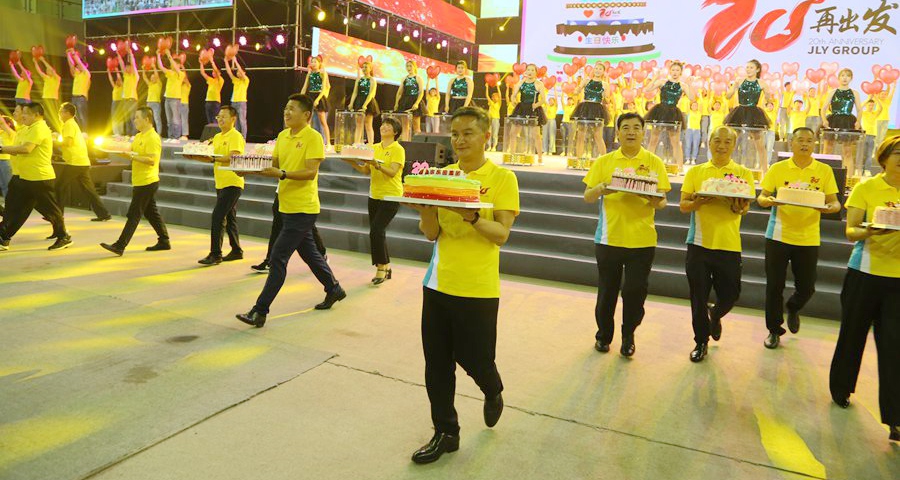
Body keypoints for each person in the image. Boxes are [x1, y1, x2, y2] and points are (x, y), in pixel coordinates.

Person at [406, 106, 519, 465]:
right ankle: (446, 432)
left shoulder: (502, 178)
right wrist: (426, 209)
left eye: (468, 133)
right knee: (437, 363)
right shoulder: (443, 177)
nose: (459, 140)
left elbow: (500, 234)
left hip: (478, 288)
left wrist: (471, 216)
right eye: (455, 134)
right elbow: (431, 234)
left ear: (486, 136)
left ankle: (492, 388)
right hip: (438, 283)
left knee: (476, 358)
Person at [235, 94, 345, 327]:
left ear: (306, 115)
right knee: (310, 254)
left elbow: (310, 172)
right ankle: (334, 288)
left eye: (292, 109)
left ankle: (259, 311)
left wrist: (283, 174)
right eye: (286, 108)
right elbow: (273, 165)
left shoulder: (313, 137)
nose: (287, 112)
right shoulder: (283, 136)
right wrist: (248, 169)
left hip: (304, 208)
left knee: (277, 257)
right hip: (286, 205)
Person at [829, 135, 900, 443]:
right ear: (884, 157)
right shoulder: (866, 188)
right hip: (865, 273)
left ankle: (896, 418)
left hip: (898, 281)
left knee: (895, 346)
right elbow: (851, 231)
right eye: (898, 152)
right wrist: (871, 230)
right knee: (852, 334)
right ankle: (841, 388)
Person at [582, 113, 671, 356]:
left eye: (636, 128)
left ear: (643, 132)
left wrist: (651, 198)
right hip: (609, 238)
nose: (631, 132)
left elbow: (662, 201)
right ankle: (603, 336)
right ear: (617, 133)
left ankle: (628, 335)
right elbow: (588, 196)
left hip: (642, 240)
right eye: (625, 128)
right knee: (607, 291)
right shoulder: (605, 161)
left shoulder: (654, 162)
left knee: (635, 292)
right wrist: (602, 188)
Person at [757, 127, 841, 349]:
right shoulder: (778, 168)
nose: (805, 144)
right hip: (778, 235)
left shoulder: (823, 170)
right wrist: (769, 201)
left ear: (815, 144)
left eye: (809, 141)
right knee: (774, 286)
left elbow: (835, 202)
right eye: (800, 140)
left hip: (808, 237)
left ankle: (793, 307)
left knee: (807, 287)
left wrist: (829, 208)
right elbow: (762, 197)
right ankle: (774, 330)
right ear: (791, 144)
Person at [679, 126, 753, 362]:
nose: (721, 146)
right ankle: (701, 341)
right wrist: (698, 202)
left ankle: (716, 313)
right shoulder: (696, 172)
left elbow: (744, 207)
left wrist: (738, 207)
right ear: (709, 143)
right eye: (717, 141)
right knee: (698, 296)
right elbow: (684, 205)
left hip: (729, 245)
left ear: (734, 145)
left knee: (731, 294)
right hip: (699, 243)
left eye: (727, 142)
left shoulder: (743, 173)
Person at [0, 103, 71, 251]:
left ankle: (63, 236)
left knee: (51, 210)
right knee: (15, 209)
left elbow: (26, 149)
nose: (22, 115)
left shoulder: (39, 128)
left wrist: (2, 149)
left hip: (39, 177)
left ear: (36, 115)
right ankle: (4, 237)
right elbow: (19, 149)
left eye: (25, 113)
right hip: (24, 176)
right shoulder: (28, 128)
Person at [342, 117, 404, 284]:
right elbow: (365, 171)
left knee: (376, 231)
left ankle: (381, 267)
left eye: (388, 126)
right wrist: (350, 161)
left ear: (395, 131)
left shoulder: (398, 149)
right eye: (383, 125)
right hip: (374, 195)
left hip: (391, 196)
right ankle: (386, 266)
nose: (384, 127)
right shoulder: (374, 147)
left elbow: (392, 172)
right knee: (378, 232)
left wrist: (377, 164)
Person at [100, 107, 170, 255]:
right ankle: (164, 240)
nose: (134, 120)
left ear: (147, 119)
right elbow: (130, 152)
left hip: (148, 181)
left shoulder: (153, 137)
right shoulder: (138, 136)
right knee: (151, 213)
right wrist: (116, 148)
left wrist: (131, 156)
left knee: (134, 214)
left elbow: (151, 160)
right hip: (139, 180)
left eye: (137, 118)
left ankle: (120, 245)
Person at [189, 105, 245, 265]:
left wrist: (213, 159)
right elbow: (210, 156)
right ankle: (236, 250)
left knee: (218, 216)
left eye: (224, 117)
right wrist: (194, 156)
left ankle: (215, 254)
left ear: (233, 119)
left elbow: (234, 156)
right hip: (220, 182)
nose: (220, 119)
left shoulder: (236, 136)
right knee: (230, 218)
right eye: (218, 117)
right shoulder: (217, 137)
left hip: (232, 182)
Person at [55, 103, 111, 221]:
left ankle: (57, 215)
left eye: (61, 111)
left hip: (75, 162)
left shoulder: (69, 124)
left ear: (67, 113)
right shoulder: (71, 124)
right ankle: (104, 214)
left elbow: (68, 142)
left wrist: (52, 141)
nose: (59, 113)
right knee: (89, 190)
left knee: (60, 187)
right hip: (81, 161)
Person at [644, 61, 694, 171]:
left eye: (677, 70)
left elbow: (692, 98)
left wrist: (690, 85)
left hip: (673, 113)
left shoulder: (683, 85)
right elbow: (647, 89)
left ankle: (680, 167)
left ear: (681, 72)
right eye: (673, 70)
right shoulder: (662, 82)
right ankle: (647, 164)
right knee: (653, 139)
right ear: (670, 71)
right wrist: (655, 77)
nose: (675, 72)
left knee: (675, 142)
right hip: (660, 111)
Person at [725, 59, 773, 171]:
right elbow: (728, 96)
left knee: (759, 144)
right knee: (731, 141)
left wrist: (767, 95)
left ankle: (765, 171)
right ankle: (727, 168)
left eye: (751, 67)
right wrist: (733, 86)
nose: (748, 69)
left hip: (754, 113)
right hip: (739, 112)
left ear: (757, 69)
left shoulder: (761, 83)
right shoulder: (739, 81)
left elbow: (768, 100)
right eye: (747, 67)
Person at [821, 68, 865, 174]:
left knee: (848, 151)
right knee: (827, 149)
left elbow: (859, 110)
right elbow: (823, 108)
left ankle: (848, 178)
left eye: (848, 76)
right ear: (838, 78)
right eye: (843, 75)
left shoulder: (854, 93)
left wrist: (858, 121)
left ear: (851, 78)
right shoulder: (832, 92)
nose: (845, 78)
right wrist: (824, 120)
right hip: (833, 120)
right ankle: (824, 174)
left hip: (848, 122)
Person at [571, 62, 611, 159]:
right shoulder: (586, 80)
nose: (597, 70)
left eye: (600, 69)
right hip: (585, 108)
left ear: (603, 72)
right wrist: (576, 91)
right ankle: (579, 159)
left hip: (598, 109)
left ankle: (604, 160)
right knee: (581, 134)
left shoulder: (605, 84)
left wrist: (605, 97)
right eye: (596, 68)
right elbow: (577, 90)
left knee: (598, 136)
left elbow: (607, 100)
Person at [509, 64, 547, 164]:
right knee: (513, 133)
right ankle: (512, 155)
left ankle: (540, 157)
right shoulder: (521, 83)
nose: (530, 72)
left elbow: (543, 99)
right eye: (528, 70)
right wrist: (513, 100)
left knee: (536, 135)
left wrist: (536, 105)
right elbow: (513, 95)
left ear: (536, 72)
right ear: (525, 71)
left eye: (532, 70)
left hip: (533, 109)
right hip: (521, 108)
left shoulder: (539, 84)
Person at [300, 55, 331, 147]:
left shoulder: (322, 73)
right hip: (311, 95)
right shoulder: (309, 74)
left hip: (319, 96)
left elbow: (324, 88)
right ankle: (308, 141)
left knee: (323, 121)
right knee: (308, 121)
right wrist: (300, 97)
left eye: (315, 62)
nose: (313, 64)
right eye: (312, 62)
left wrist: (317, 99)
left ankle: (328, 143)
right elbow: (305, 87)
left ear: (319, 63)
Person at [348, 61, 379, 145]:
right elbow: (355, 92)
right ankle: (356, 143)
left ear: (370, 69)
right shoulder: (359, 79)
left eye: (366, 67)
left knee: (368, 124)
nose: (364, 69)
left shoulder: (372, 80)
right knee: (358, 123)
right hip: (359, 101)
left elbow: (371, 93)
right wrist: (351, 103)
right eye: (363, 67)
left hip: (368, 102)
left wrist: (365, 105)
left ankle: (371, 144)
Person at [393, 60, 425, 136]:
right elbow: (399, 93)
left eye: (410, 66)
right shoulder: (404, 78)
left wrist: (416, 103)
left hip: (414, 100)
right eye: (407, 66)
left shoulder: (418, 78)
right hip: (405, 102)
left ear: (414, 67)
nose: (409, 68)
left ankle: (417, 141)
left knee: (416, 126)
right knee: (405, 126)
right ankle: (405, 141)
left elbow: (421, 92)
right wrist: (396, 103)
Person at [157, 50, 184, 139]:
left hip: (175, 99)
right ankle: (170, 136)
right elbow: (160, 67)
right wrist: (158, 55)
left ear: (179, 65)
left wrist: (169, 55)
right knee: (169, 121)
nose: (173, 65)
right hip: (167, 98)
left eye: (175, 64)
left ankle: (176, 137)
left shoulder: (181, 74)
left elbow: (176, 68)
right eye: (172, 63)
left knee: (176, 119)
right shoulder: (170, 73)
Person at [33, 55, 61, 132]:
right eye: (46, 70)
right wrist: (35, 62)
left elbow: (51, 69)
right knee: (45, 115)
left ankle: (54, 130)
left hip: (53, 99)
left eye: (48, 70)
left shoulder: (57, 78)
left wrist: (43, 60)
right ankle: (47, 129)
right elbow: (39, 71)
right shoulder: (46, 78)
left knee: (53, 116)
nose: (47, 71)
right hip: (45, 98)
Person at [225, 56, 250, 137]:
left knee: (242, 121)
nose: (238, 73)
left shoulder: (246, 80)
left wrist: (235, 61)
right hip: (234, 102)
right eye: (237, 72)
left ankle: (243, 138)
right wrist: (226, 61)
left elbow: (241, 72)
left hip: (241, 102)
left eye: (239, 71)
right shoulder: (235, 80)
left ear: (244, 73)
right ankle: (236, 137)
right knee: (235, 121)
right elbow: (229, 72)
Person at [66, 49, 91, 129]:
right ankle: (78, 132)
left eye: (78, 66)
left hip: (81, 98)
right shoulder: (77, 74)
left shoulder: (86, 73)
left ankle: (84, 132)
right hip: (74, 97)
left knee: (82, 117)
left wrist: (73, 53)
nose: (76, 67)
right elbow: (71, 65)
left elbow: (79, 63)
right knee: (75, 117)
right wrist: (68, 55)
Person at [118, 50, 139, 135]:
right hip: (125, 100)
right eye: (126, 67)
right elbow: (121, 64)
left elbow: (134, 65)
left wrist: (131, 54)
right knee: (126, 119)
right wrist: (119, 55)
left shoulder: (135, 76)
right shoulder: (125, 75)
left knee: (132, 118)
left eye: (128, 67)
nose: (127, 69)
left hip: (132, 100)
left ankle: (134, 134)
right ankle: (128, 134)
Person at [199, 56, 224, 125]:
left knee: (215, 119)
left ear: (219, 73)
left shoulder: (220, 80)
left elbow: (216, 71)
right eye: (212, 72)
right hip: (208, 101)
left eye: (214, 72)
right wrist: (201, 63)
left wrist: (212, 61)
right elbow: (202, 73)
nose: (213, 73)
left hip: (215, 102)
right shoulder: (210, 80)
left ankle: (216, 130)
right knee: (209, 120)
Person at [142, 60, 164, 133]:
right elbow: (144, 77)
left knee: (157, 119)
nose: (152, 79)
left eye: (153, 77)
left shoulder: (159, 84)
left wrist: (154, 68)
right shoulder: (150, 84)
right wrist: (143, 69)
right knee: (148, 119)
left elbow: (157, 77)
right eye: (151, 78)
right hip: (149, 103)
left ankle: (159, 134)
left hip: (156, 103)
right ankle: (148, 132)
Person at [107, 70, 124, 136]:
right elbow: (111, 80)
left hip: (120, 102)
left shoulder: (122, 87)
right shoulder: (115, 87)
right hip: (114, 103)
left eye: (118, 81)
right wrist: (109, 72)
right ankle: (116, 133)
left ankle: (120, 132)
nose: (117, 81)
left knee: (120, 117)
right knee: (114, 118)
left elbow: (119, 78)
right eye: (116, 81)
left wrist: (117, 71)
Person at [485, 86, 502, 151]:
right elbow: (487, 96)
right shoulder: (491, 103)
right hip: (490, 119)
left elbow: (500, 95)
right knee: (489, 133)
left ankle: (494, 146)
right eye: (493, 97)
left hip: (496, 119)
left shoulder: (498, 103)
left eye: (496, 97)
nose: (494, 98)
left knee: (495, 133)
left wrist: (498, 87)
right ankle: (489, 146)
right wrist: (487, 87)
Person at [179, 73, 192, 140]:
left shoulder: (188, 85)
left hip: (184, 104)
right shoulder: (179, 85)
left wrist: (183, 70)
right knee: (178, 120)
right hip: (178, 103)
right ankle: (178, 134)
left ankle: (185, 134)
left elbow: (185, 78)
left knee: (184, 119)